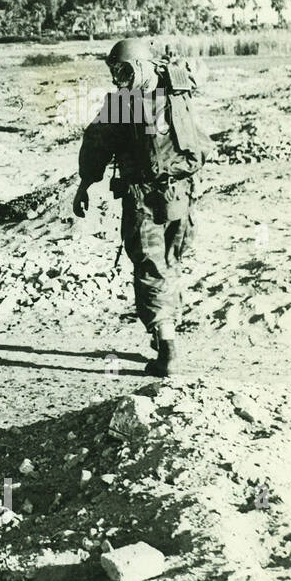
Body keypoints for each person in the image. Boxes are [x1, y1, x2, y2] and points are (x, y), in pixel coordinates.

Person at [73, 38, 211, 376]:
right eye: (114, 71)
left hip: (149, 199)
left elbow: (96, 144)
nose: (118, 78)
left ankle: (167, 348)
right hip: (180, 195)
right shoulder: (176, 87)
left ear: (138, 66)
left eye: (121, 70)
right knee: (169, 265)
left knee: (153, 269)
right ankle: (166, 334)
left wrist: (86, 183)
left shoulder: (128, 101)